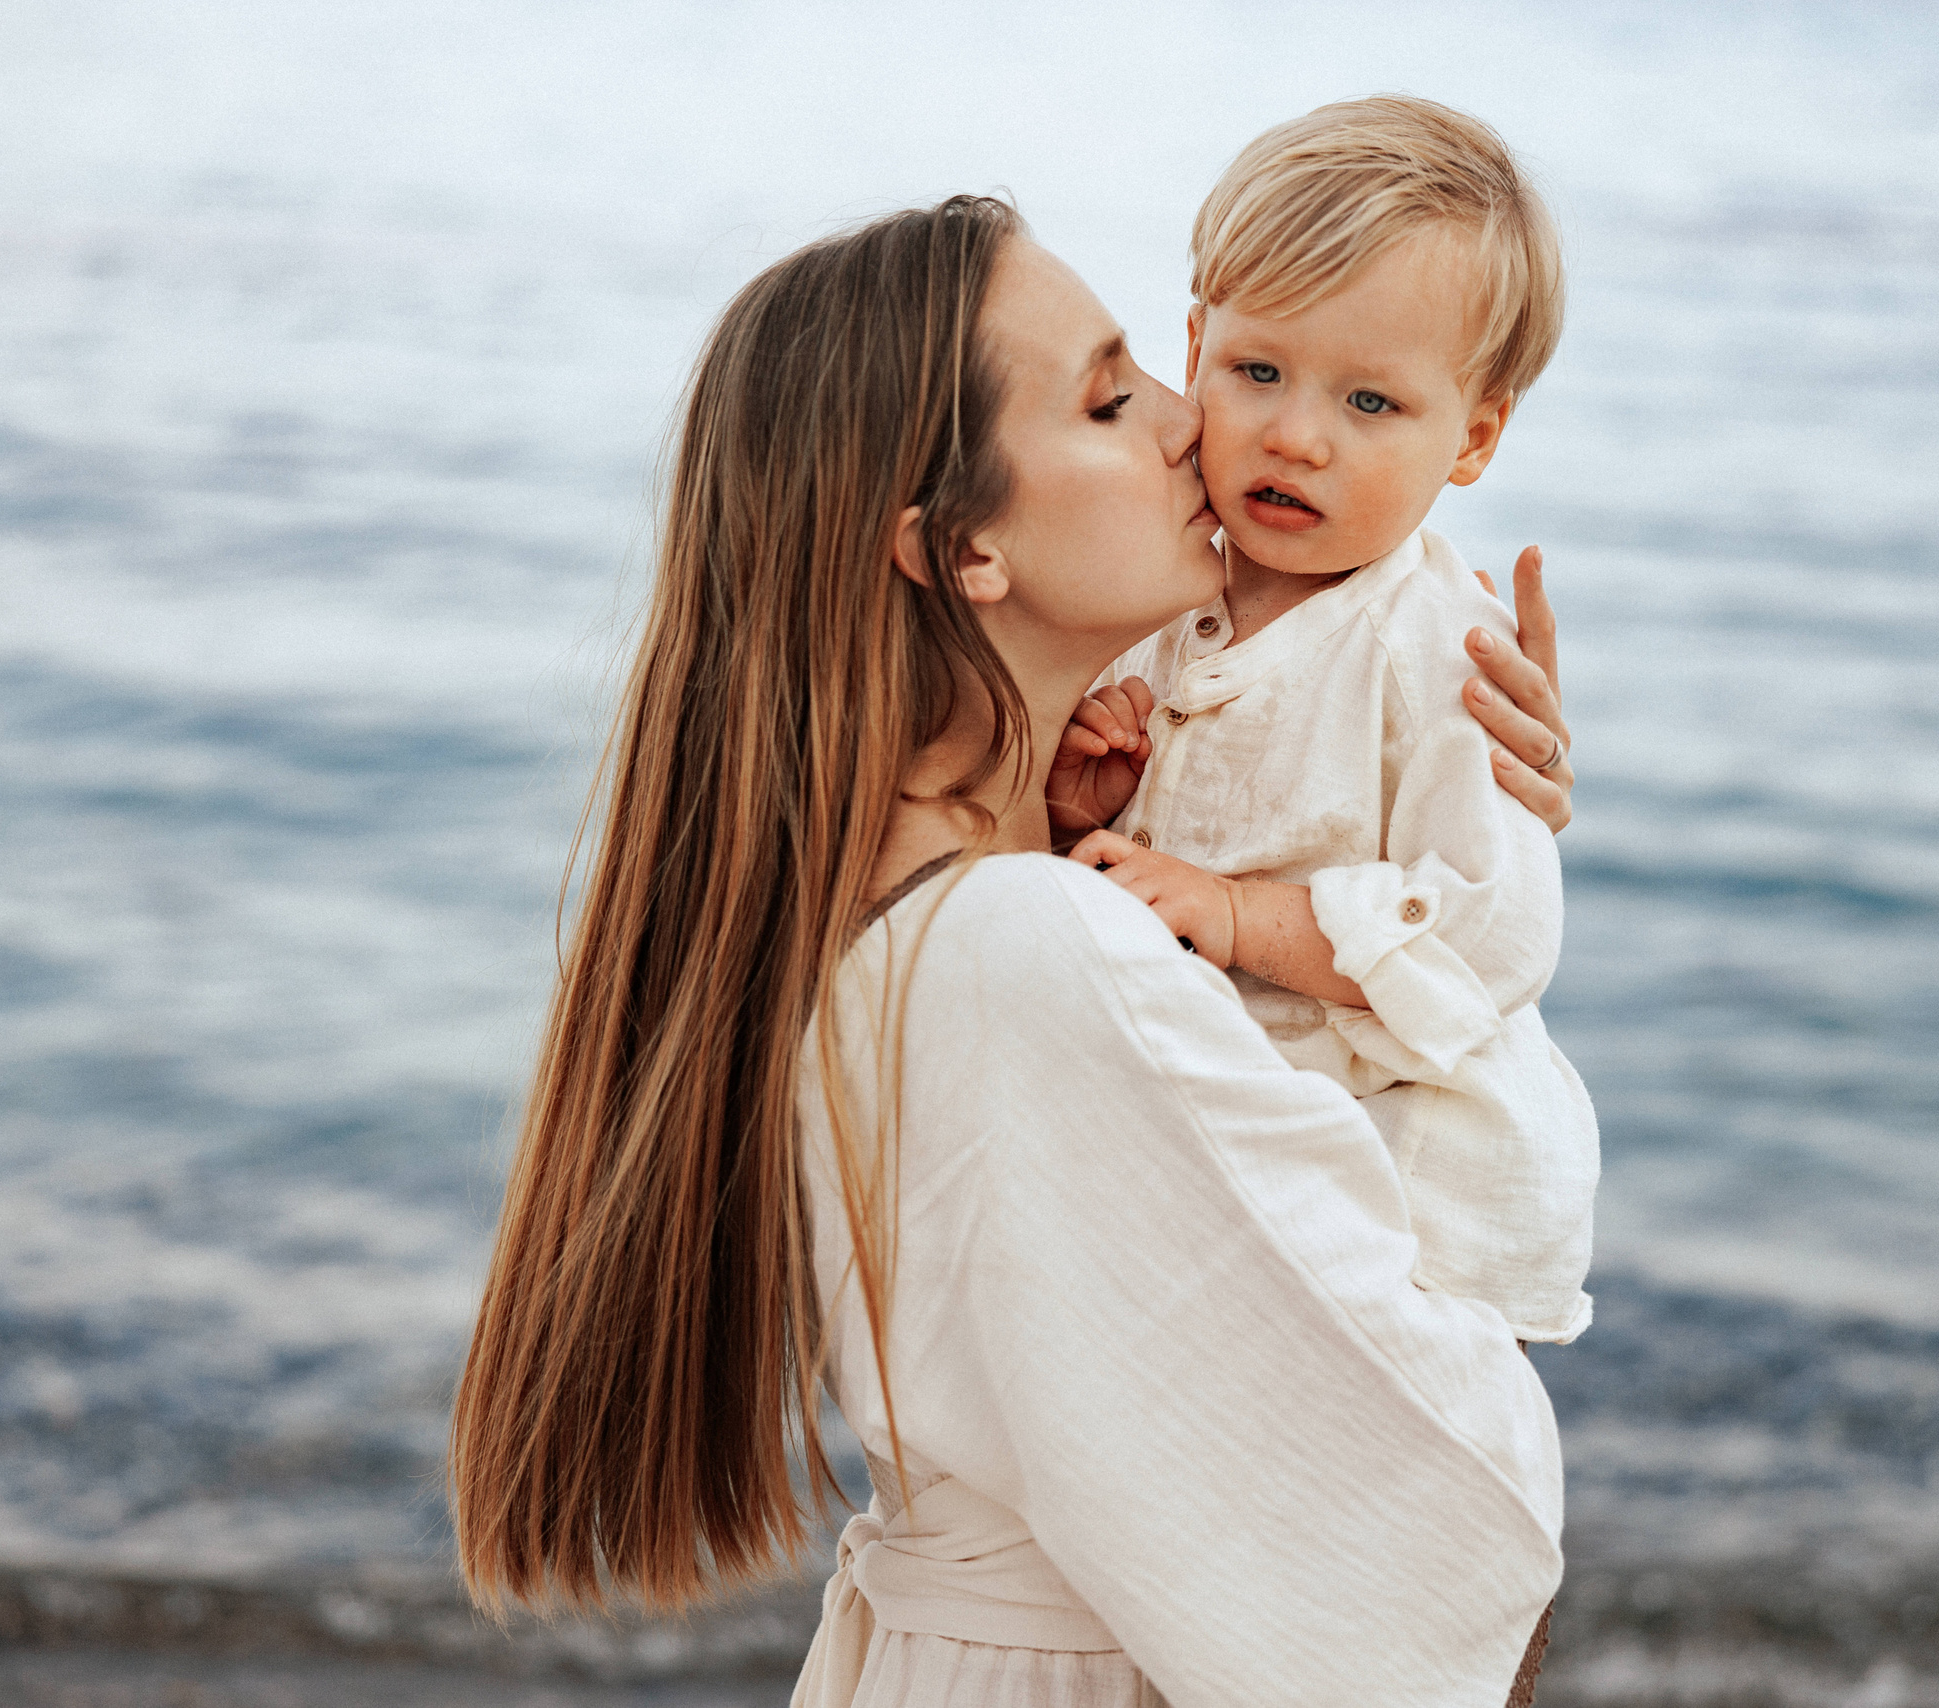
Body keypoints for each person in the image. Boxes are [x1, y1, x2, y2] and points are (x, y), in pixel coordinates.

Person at [448, 194, 1578, 1708]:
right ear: (962, 548)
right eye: (1112, 399)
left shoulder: (890, 913)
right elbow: (1445, 1547)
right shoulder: (1032, 949)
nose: (1192, 423)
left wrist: (1431, 788)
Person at [1051, 97, 1599, 1355]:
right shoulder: (1149, 604)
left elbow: (1493, 933)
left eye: (1370, 402)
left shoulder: (1440, 647)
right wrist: (1077, 818)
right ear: (1195, 348)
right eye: (1258, 372)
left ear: (1473, 434)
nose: (1296, 436)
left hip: (1411, 1205)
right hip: (1224, 1177)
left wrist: (1237, 914)